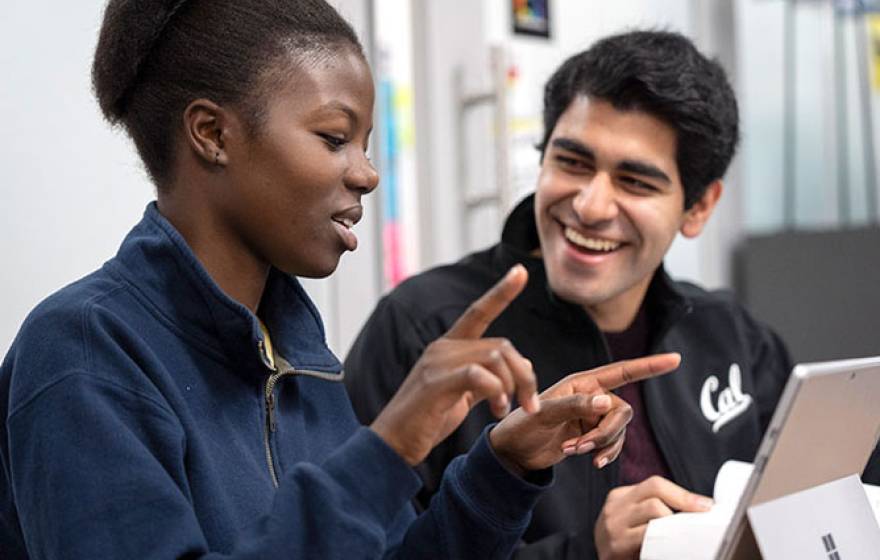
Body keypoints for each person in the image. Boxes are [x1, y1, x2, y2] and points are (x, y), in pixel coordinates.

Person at [0, 4, 683, 558]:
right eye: (334, 138)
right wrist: (386, 450)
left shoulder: (301, 356)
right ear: (212, 134)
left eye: (366, 144)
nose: (366, 173)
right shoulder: (83, 352)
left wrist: (502, 466)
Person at [345, 29, 854, 559]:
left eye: (635, 182)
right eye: (572, 162)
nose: (590, 206)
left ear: (699, 207)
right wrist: (590, 552)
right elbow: (364, 550)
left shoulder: (733, 339)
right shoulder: (425, 329)